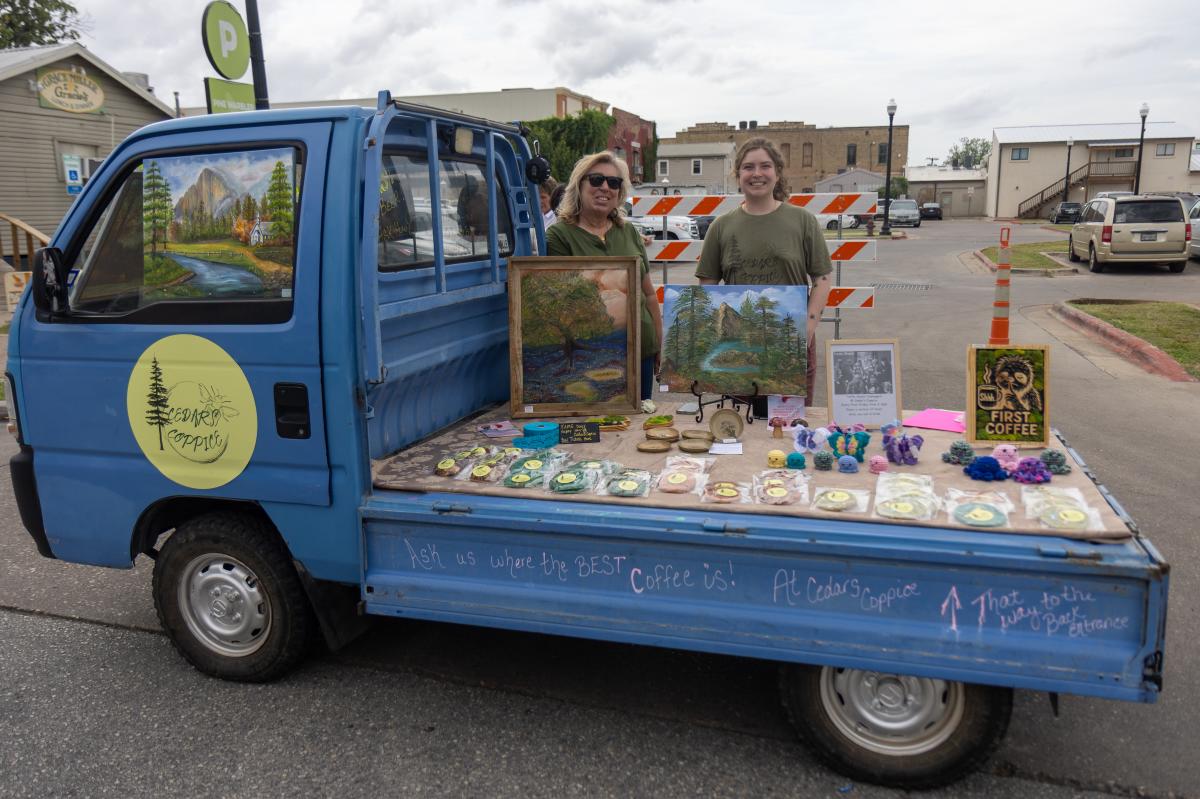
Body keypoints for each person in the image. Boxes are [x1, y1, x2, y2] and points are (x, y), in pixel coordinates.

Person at [696, 137, 833, 403]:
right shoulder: (722, 226)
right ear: (738, 175)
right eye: (748, 167)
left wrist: (808, 326)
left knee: (791, 427)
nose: (757, 174)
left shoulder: (802, 221)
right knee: (741, 426)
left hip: (792, 340)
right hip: (739, 343)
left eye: (765, 166)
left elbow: (822, 278)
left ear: (777, 173)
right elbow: (708, 287)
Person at [546, 152, 662, 401]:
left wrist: (659, 345)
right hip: (590, 353)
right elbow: (558, 304)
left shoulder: (629, 232)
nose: (605, 188)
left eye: (614, 183)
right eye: (596, 180)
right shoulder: (558, 237)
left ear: (620, 193)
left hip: (640, 350)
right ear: (579, 185)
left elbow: (649, 294)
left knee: (639, 427)